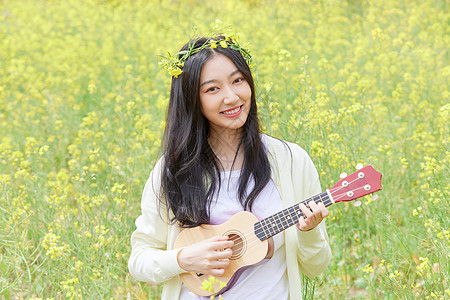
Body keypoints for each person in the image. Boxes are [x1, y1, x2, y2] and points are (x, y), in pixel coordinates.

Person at [128, 34, 332, 300]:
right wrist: (183, 259)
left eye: (238, 81)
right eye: (213, 89)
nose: (232, 97)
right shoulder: (173, 168)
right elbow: (139, 260)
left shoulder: (290, 160)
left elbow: (316, 267)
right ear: (192, 100)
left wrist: (309, 231)